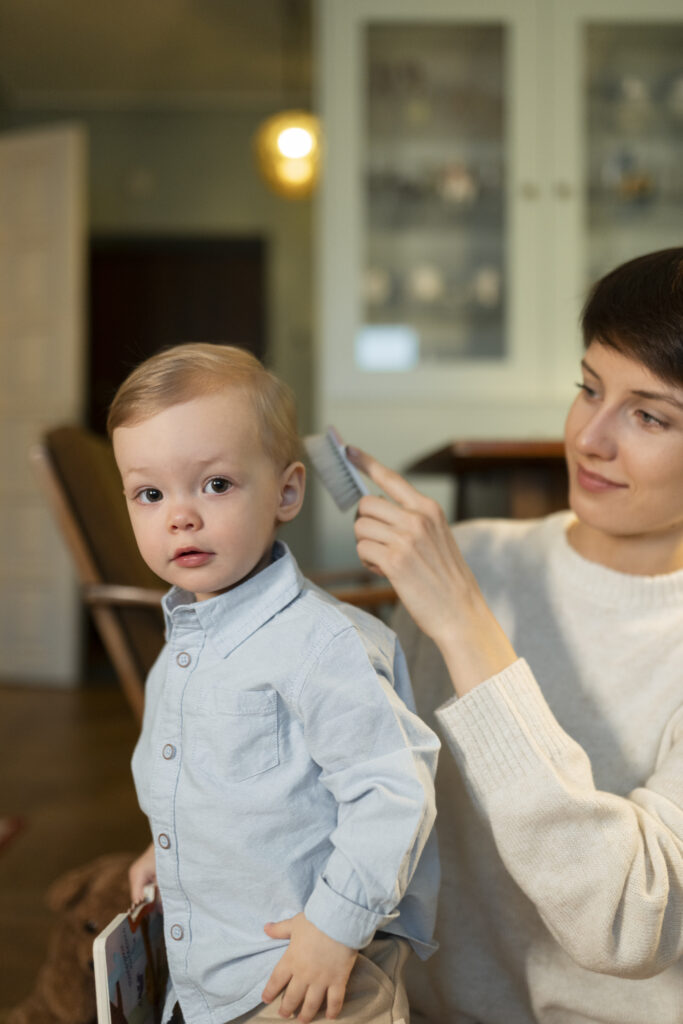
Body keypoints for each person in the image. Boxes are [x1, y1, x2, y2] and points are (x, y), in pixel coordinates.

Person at [348, 247, 683, 1024]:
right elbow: (361, 770)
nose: (589, 438)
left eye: (649, 415)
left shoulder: (456, 584)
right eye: (587, 389)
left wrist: (468, 626)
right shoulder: (472, 555)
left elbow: (630, 921)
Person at [107, 343, 440, 1024]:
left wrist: (335, 927)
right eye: (150, 493)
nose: (180, 516)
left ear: (286, 491)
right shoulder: (178, 654)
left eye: (215, 484)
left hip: (311, 979)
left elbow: (393, 792)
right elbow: (220, 786)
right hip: (213, 978)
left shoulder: (321, 645)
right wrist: (167, 844)